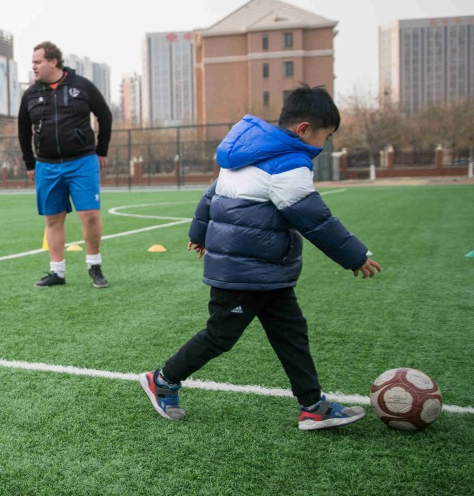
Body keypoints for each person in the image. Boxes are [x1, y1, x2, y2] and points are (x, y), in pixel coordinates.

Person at [140, 85, 382, 430]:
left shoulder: (246, 152)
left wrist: (198, 234)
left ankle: (312, 405)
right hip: (243, 269)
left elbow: (211, 195)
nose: (324, 146)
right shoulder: (289, 163)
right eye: (325, 137)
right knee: (220, 335)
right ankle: (162, 381)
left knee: (291, 333)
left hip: (268, 269)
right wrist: (355, 256)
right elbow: (313, 218)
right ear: (303, 130)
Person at [18, 41, 112, 289]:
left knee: (90, 214)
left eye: (37, 62)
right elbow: (22, 129)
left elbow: (105, 115)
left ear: (53, 62)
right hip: (46, 165)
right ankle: (56, 272)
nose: (34, 67)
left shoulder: (81, 86)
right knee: (53, 219)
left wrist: (101, 150)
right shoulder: (31, 94)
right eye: (33, 63)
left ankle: (94, 266)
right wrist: (30, 162)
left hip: (82, 162)